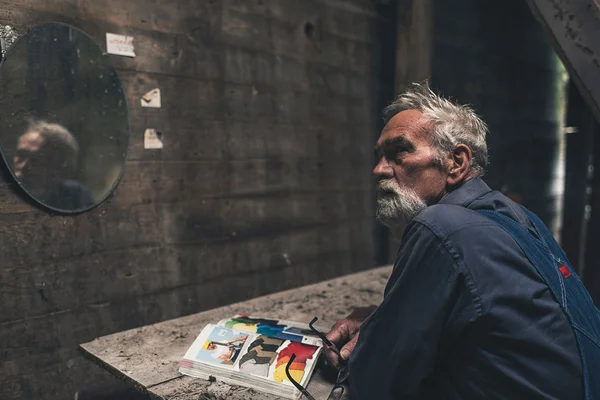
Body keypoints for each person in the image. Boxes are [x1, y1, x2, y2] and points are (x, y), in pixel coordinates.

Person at [323, 83, 590, 399]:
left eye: (398, 152)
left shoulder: (440, 225)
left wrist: (375, 337)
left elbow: (376, 380)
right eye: (380, 156)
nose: (379, 169)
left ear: (456, 163)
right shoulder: (518, 216)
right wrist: (386, 319)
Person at [12, 119, 93, 210]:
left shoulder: (76, 196)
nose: (23, 166)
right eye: (21, 155)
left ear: (60, 167)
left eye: (37, 159)